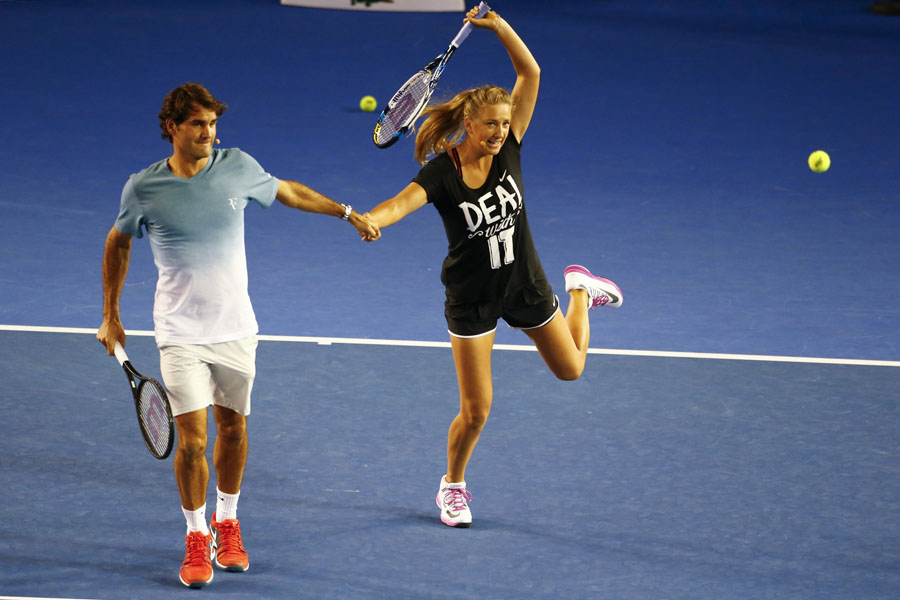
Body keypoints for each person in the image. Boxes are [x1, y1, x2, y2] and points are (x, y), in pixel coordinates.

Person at [97, 82, 379, 588]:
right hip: (180, 333)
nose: (208, 134)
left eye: (213, 125)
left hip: (236, 331)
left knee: (233, 430)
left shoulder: (238, 166)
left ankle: (228, 521)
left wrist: (345, 212)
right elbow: (118, 243)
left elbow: (288, 190)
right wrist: (110, 314)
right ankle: (195, 533)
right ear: (172, 128)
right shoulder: (143, 187)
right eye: (198, 125)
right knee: (192, 442)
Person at [360, 7, 622, 528]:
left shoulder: (511, 150)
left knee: (572, 370)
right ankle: (452, 486)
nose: (501, 132)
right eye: (491, 125)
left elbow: (531, 74)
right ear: (468, 124)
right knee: (477, 409)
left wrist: (498, 26)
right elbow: (400, 203)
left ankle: (579, 293)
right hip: (472, 299)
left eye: (506, 123)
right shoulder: (443, 172)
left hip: (524, 284)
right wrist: (372, 219)